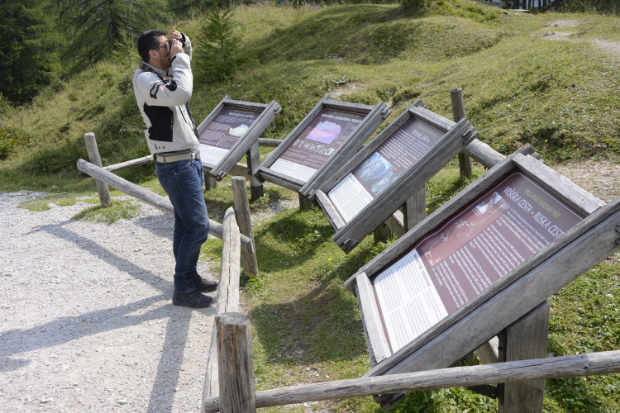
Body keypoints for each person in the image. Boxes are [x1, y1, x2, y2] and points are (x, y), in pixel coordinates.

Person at [134, 28, 217, 308]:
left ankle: (190, 278)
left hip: (187, 159)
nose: (171, 50)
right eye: (165, 46)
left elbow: (184, 64)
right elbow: (182, 92)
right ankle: (182, 288)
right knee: (198, 226)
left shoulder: (161, 73)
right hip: (175, 163)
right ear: (153, 54)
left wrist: (183, 43)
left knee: (185, 225)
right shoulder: (145, 79)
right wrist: (179, 57)